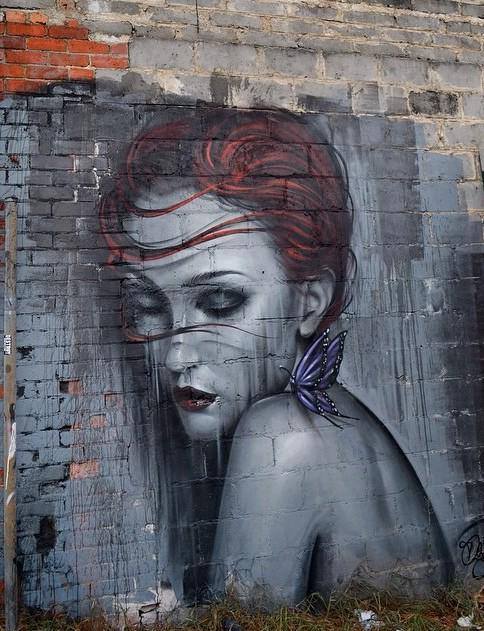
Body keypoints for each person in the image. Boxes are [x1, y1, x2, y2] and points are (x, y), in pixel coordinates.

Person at [100, 107, 452, 606]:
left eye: (221, 301)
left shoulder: (286, 435)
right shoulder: (339, 425)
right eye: (149, 308)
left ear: (310, 301)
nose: (176, 354)